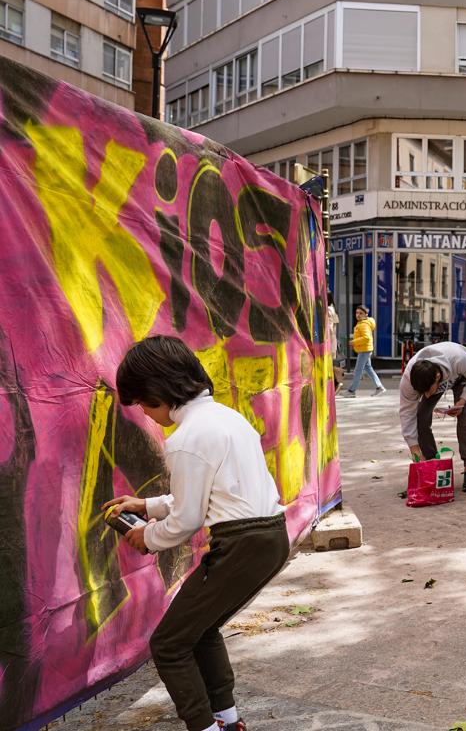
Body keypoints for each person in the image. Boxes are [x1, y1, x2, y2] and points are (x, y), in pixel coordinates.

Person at [103, 336, 288, 731]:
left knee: (168, 645)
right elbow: (207, 494)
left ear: (157, 391)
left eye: (142, 404)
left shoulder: (186, 439)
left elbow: (187, 520)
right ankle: (226, 719)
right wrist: (147, 506)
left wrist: (148, 537)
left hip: (242, 543)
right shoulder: (226, 418)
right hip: (271, 536)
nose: (148, 415)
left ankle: (204, 726)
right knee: (200, 630)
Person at [398, 342, 466, 492]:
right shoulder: (409, 381)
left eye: (427, 391)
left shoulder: (460, 359)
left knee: (464, 415)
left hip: (463, 376)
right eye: (422, 392)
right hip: (435, 381)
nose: (426, 395)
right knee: (421, 416)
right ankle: (432, 464)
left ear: (437, 377)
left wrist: (463, 400)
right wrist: (414, 448)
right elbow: (407, 413)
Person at [343, 305, 385, 397]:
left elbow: (366, 338)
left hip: (364, 350)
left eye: (361, 313)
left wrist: (354, 342)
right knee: (368, 368)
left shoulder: (363, 324)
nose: (358, 315)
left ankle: (351, 391)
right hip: (365, 349)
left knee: (358, 370)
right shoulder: (362, 323)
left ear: (366, 315)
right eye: (357, 313)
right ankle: (379, 387)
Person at [326, 292, 344, 393]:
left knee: (329, 364)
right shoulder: (332, 309)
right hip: (332, 341)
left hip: (329, 341)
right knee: (330, 364)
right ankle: (336, 381)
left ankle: (336, 381)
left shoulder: (328, 310)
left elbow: (329, 328)